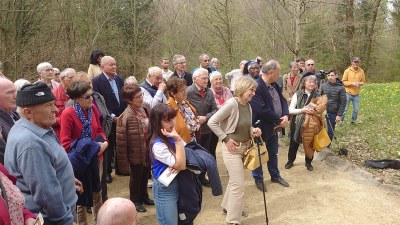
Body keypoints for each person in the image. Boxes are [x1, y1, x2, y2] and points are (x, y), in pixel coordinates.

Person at [5, 82, 77, 225]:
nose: (56, 110)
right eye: (48, 105)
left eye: (54, 103)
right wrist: (66, 221)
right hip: (55, 219)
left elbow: (44, 172)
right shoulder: (32, 144)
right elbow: (47, 196)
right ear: (28, 112)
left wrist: (66, 179)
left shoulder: (35, 126)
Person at [208, 76, 261, 225]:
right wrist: (225, 138)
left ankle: (227, 207)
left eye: (254, 90)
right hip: (231, 150)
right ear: (243, 88)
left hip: (244, 148)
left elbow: (244, 126)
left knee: (234, 181)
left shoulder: (248, 106)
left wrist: (254, 130)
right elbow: (212, 122)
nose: (253, 93)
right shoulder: (232, 104)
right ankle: (233, 221)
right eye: (252, 90)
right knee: (239, 184)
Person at [60, 81, 108, 224]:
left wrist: (104, 142)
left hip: (97, 158)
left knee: (97, 193)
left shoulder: (92, 109)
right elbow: (65, 144)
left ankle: (100, 221)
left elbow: (99, 129)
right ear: (75, 99)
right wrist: (92, 147)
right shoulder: (67, 114)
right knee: (81, 197)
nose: (91, 99)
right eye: (87, 97)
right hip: (80, 163)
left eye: (91, 95)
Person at [250, 60, 290, 192]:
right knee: (260, 153)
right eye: (278, 72)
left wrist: (285, 115)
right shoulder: (256, 86)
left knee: (273, 153)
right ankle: (258, 178)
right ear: (271, 73)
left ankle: (275, 175)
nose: (279, 75)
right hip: (261, 127)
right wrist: (279, 120)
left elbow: (283, 100)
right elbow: (261, 109)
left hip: (274, 126)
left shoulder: (275, 84)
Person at [116, 84, 154, 213]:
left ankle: (144, 196)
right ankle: (135, 201)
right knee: (136, 177)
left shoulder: (145, 108)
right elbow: (121, 142)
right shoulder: (126, 116)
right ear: (129, 100)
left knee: (145, 175)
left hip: (147, 149)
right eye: (137, 97)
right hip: (135, 152)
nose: (141, 98)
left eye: (141, 95)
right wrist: (123, 163)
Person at [146, 104, 186, 225]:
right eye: (166, 120)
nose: (172, 122)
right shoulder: (157, 144)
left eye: (172, 118)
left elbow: (188, 156)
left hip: (181, 183)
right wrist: (178, 141)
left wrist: (179, 162)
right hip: (165, 189)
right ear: (156, 122)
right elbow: (181, 165)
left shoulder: (172, 135)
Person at [92, 56, 126, 183]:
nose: (114, 67)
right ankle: (107, 173)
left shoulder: (119, 79)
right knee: (108, 145)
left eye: (115, 64)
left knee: (121, 143)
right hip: (107, 119)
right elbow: (99, 103)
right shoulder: (96, 82)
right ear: (102, 66)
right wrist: (112, 117)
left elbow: (123, 97)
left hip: (121, 116)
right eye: (111, 65)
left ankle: (120, 168)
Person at [285, 75, 327, 171]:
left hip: (312, 124)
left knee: (310, 144)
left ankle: (308, 163)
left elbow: (323, 112)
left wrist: (316, 111)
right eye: (309, 82)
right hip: (297, 122)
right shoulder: (298, 94)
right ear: (304, 83)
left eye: (313, 82)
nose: (311, 84)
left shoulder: (318, 95)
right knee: (294, 142)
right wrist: (302, 110)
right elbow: (290, 110)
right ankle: (290, 161)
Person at [186, 68, 218, 186]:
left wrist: (206, 117)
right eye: (203, 78)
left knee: (206, 153)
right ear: (195, 79)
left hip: (208, 129)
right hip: (194, 131)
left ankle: (202, 177)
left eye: (207, 78)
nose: (206, 80)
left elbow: (215, 109)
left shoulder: (209, 92)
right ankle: (194, 179)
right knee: (195, 155)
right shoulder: (188, 92)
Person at [166, 77, 200, 143]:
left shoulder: (185, 102)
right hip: (181, 144)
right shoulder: (169, 108)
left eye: (185, 88)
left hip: (193, 141)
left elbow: (192, 120)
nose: (185, 92)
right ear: (173, 94)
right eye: (182, 90)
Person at [321, 70, 346, 140]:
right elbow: (319, 98)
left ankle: (327, 147)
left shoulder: (341, 88)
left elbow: (343, 102)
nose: (330, 77)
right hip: (323, 111)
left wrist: (339, 115)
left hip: (333, 112)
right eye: (328, 75)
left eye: (332, 75)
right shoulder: (323, 86)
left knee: (330, 131)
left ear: (336, 76)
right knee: (320, 129)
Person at [52, 68, 77, 139]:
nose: (75, 80)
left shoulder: (77, 92)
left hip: (76, 131)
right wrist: (65, 121)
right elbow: (48, 117)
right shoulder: (54, 95)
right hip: (60, 133)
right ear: (63, 79)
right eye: (71, 78)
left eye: (75, 77)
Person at [342, 57, 366, 124]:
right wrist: (351, 83)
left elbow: (363, 81)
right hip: (347, 93)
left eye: (357, 62)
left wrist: (359, 83)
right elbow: (343, 82)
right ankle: (340, 121)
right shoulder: (347, 71)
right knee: (345, 109)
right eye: (355, 62)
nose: (356, 63)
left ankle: (353, 121)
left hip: (356, 94)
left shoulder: (361, 71)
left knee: (356, 110)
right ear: (352, 62)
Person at [0, 78, 19, 164]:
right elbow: (5, 156)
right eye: (10, 92)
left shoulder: (15, 113)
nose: (15, 96)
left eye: (15, 91)